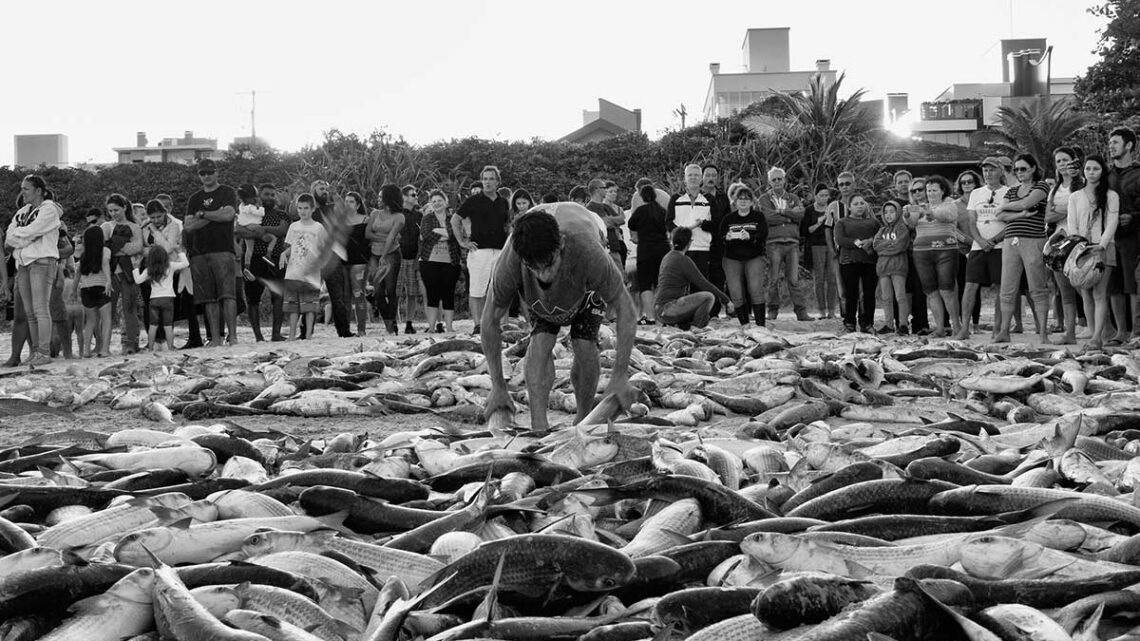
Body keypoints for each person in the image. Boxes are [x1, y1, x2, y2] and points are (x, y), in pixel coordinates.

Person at [479, 203, 638, 434]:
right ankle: (539, 426)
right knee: (541, 341)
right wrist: (498, 386)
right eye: (535, 268)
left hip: (581, 277)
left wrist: (619, 375)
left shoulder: (588, 251)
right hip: (541, 297)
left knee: (584, 344)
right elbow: (489, 321)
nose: (544, 274)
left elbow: (626, 311)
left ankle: (584, 419)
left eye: (549, 265)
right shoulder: (512, 258)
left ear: (561, 245)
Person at [994, 153, 1052, 344]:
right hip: (1011, 240)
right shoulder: (1012, 190)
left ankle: (1043, 333)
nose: (1019, 172)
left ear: (1033, 168)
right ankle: (1004, 331)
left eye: (1023, 168)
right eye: (1016, 169)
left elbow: (1026, 203)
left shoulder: (1041, 186)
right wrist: (1022, 215)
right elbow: (1000, 216)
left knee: (1038, 287)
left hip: (1033, 239)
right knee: (1007, 288)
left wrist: (1008, 207)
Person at [6, 176, 61, 366]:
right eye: (22, 188)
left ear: (38, 190)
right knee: (30, 312)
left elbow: (34, 229)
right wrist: (27, 237)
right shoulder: (22, 211)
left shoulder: (49, 209)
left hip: (42, 262)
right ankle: (36, 350)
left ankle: (44, 351)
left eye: (26, 189)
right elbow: (9, 237)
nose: (23, 192)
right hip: (22, 264)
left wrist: (22, 235)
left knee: (40, 309)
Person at [1065, 155, 1119, 351]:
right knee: (1085, 294)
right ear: (1083, 171)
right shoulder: (1075, 196)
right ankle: (1092, 332)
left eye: (1095, 169)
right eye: (1088, 169)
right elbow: (1072, 223)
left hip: (1103, 248)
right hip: (1081, 250)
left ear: (1102, 171)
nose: (1091, 172)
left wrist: (1102, 244)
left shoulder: (1111, 195)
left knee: (1100, 294)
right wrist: (1078, 245)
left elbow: (1112, 223)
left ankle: (1098, 337)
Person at [183, 159, 239, 347]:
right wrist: (215, 215)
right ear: (198, 175)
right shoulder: (194, 198)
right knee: (208, 298)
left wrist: (203, 214)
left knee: (228, 295)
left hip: (223, 249)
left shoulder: (227, 192)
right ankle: (215, 338)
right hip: (200, 252)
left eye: (209, 172)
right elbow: (188, 227)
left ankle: (233, 336)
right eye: (202, 173)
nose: (206, 176)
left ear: (216, 172)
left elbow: (229, 215)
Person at [453, 165, 510, 335]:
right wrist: (462, 242)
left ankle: (497, 324)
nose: (487, 182)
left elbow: (507, 224)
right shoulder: (473, 200)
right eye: (485, 179)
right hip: (479, 251)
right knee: (477, 290)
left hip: (500, 251)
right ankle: (478, 325)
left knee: (499, 291)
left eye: (491, 178)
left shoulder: (503, 202)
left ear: (498, 182)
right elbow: (455, 220)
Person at [958, 157, 1010, 341]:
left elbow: (1012, 221)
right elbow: (972, 221)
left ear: (1000, 171)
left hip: (1001, 245)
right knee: (970, 285)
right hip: (978, 246)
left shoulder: (1009, 192)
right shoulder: (976, 193)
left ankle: (998, 329)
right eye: (985, 170)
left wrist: (994, 240)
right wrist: (980, 241)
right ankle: (964, 328)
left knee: (999, 287)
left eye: (992, 170)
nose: (988, 173)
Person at [907, 175, 961, 338]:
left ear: (942, 190)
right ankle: (939, 328)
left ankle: (957, 327)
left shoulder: (950, 203)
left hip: (946, 250)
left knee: (947, 289)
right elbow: (911, 224)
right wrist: (907, 215)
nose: (930, 193)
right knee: (931, 291)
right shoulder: (919, 206)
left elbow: (947, 216)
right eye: (928, 190)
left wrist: (930, 211)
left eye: (934, 190)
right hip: (922, 252)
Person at [234, 184, 288, 342]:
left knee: (278, 297)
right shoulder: (248, 211)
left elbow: (283, 230)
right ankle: (258, 336)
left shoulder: (282, 214)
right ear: (259, 196)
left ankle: (276, 334)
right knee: (253, 299)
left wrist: (260, 230)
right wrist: (260, 231)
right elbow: (238, 230)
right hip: (253, 260)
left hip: (275, 259)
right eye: (266, 194)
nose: (270, 197)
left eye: (273, 194)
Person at [758, 167, 811, 321]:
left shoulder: (794, 197)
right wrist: (789, 215)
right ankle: (773, 310)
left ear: (784, 180)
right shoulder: (763, 199)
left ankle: (801, 312)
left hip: (792, 243)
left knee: (794, 280)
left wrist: (780, 212)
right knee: (773, 279)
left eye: (779, 179)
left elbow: (801, 215)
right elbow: (767, 217)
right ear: (769, 182)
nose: (776, 182)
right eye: (773, 180)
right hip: (773, 243)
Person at [656, 227, 734, 330]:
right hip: (669, 309)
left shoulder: (667, 257)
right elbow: (704, 284)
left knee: (702, 311)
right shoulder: (683, 260)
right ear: (689, 243)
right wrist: (726, 300)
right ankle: (696, 327)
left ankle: (679, 325)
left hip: (659, 310)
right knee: (708, 297)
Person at [1045, 147, 1084, 344]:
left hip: (1079, 241)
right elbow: (1048, 216)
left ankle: (1097, 329)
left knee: (1084, 287)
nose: (1061, 164)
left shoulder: (1082, 185)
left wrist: (1061, 210)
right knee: (1065, 291)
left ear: (1074, 162)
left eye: (1065, 160)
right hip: (1059, 243)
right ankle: (1070, 333)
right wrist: (1067, 209)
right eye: (1058, 161)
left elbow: (1082, 209)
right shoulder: (1054, 189)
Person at [308, 180, 355, 339]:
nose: (324, 192)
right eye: (321, 189)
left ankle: (344, 331)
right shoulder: (309, 211)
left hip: (333, 258)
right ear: (313, 191)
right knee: (310, 296)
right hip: (315, 258)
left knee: (338, 297)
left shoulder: (332, 208)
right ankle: (306, 331)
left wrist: (335, 194)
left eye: (326, 189)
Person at [1107, 127, 1140, 344]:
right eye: (1109, 143)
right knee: (1113, 286)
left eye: (1115, 142)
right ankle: (1120, 332)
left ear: (1128, 146)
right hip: (1109, 237)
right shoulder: (1105, 174)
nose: (1111, 146)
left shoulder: (1138, 173)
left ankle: (1136, 332)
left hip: (1134, 237)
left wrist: (1134, 217)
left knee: (1133, 285)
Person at [280, 194, 329, 340]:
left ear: (313, 209)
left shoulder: (318, 227)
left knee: (309, 306)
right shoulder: (293, 226)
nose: (303, 211)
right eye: (300, 208)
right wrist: (284, 254)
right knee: (293, 306)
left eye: (306, 208)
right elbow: (291, 246)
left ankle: (308, 335)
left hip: (310, 273)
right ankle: (291, 335)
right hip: (293, 272)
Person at [720, 186, 768, 327]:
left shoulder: (758, 217)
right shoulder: (729, 218)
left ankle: (760, 325)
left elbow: (763, 234)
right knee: (735, 291)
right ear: (735, 202)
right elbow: (720, 236)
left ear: (752, 202)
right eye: (740, 199)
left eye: (746, 199)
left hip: (754, 256)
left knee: (755, 288)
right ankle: (744, 324)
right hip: (732, 257)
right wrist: (726, 237)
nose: (743, 201)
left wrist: (750, 236)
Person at [102, 194, 143, 354]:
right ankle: (103, 344)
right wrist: (124, 247)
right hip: (110, 271)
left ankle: (131, 343)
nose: (113, 213)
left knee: (130, 308)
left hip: (128, 271)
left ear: (125, 207)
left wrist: (115, 246)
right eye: (110, 210)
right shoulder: (106, 226)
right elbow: (103, 248)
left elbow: (138, 247)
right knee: (107, 310)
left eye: (116, 210)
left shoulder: (134, 227)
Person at [834, 194, 880, 333]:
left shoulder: (874, 222)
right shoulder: (842, 222)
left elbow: (880, 236)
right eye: (856, 204)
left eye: (862, 203)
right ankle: (849, 323)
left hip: (869, 262)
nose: (859, 206)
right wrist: (858, 243)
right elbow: (840, 239)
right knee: (850, 294)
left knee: (868, 294)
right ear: (849, 207)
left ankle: (867, 323)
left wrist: (871, 241)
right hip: (849, 261)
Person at [627, 183, 670, 325]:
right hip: (663, 249)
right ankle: (660, 316)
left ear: (642, 197)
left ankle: (650, 316)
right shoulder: (663, 212)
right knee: (660, 283)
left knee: (645, 284)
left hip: (645, 250)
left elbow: (631, 224)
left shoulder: (640, 211)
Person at [419, 190, 461, 333]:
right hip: (429, 260)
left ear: (445, 202)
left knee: (448, 293)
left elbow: (456, 235)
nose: (437, 203)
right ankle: (431, 327)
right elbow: (426, 235)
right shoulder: (427, 219)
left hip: (451, 261)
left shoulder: (453, 218)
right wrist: (446, 233)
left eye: (439, 200)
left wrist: (439, 231)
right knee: (432, 294)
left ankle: (449, 327)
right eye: (434, 201)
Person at [366, 184, 406, 335]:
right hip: (374, 255)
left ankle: (392, 324)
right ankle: (387, 321)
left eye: (381, 197)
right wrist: (384, 239)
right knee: (378, 291)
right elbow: (368, 233)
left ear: (389, 198)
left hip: (391, 254)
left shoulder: (399, 217)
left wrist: (384, 254)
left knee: (390, 290)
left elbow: (392, 236)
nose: (378, 199)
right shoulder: (375, 214)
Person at [134, 244, 189, 352]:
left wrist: (136, 268)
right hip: (168, 299)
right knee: (168, 326)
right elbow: (185, 264)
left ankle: (150, 348)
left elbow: (138, 280)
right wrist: (180, 252)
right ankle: (170, 347)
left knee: (153, 326)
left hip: (154, 299)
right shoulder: (170, 266)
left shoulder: (149, 270)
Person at [666, 165, 715, 283]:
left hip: (702, 249)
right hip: (681, 250)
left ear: (701, 179)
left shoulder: (709, 199)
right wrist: (681, 235)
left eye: (696, 175)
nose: (693, 178)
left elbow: (715, 223)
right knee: (679, 285)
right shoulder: (676, 199)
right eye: (690, 175)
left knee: (699, 285)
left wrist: (702, 224)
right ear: (685, 179)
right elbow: (668, 222)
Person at [872, 200, 911, 334]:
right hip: (883, 268)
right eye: (886, 212)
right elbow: (876, 245)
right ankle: (889, 324)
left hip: (898, 267)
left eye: (892, 212)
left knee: (900, 296)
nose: (888, 215)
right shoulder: (882, 230)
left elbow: (900, 245)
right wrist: (890, 244)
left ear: (898, 212)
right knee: (886, 298)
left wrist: (885, 248)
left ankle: (903, 325)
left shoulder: (902, 228)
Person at [902, 176, 932, 335]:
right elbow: (910, 225)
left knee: (935, 288)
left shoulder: (935, 205)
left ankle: (945, 323)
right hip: (914, 251)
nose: (917, 193)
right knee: (916, 289)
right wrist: (908, 216)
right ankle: (920, 324)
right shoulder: (908, 208)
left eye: (920, 189)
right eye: (913, 191)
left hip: (934, 249)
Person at [76, 225, 112, 358]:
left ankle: (86, 350)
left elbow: (77, 274)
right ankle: (104, 349)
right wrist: (109, 280)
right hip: (101, 287)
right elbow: (105, 263)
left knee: (90, 321)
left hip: (86, 289)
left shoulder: (84, 255)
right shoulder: (105, 250)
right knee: (106, 319)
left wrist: (74, 290)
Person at [954, 170, 983, 332]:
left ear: (975, 183)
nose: (966, 185)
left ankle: (976, 324)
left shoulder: (982, 200)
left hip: (980, 248)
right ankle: (962, 323)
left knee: (976, 288)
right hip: (962, 251)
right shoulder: (955, 205)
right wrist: (970, 242)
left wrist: (979, 242)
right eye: (963, 182)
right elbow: (953, 229)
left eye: (970, 181)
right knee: (963, 287)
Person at [803, 184, 836, 319]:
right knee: (819, 279)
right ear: (815, 196)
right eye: (821, 195)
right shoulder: (809, 210)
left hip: (831, 245)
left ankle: (832, 311)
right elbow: (805, 231)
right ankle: (821, 310)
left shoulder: (833, 209)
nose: (824, 198)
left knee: (832, 279)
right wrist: (819, 223)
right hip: (816, 246)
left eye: (826, 195)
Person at [702, 163, 730, 316]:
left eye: (714, 175)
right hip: (701, 242)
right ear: (702, 177)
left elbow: (727, 219)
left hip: (719, 242)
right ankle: (703, 309)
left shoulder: (723, 197)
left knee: (718, 277)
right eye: (708, 175)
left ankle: (715, 311)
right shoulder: (698, 196)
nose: (711, 178)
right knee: (702, 276)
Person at [343, 191, 371, 336]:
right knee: (345, 297)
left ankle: (361, 329)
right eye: (346, 201)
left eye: (351, 202)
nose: (347, 204)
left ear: (358, 205)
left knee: (358, 294)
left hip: (360, 262)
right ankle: (346, 330)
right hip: (343, 262)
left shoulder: (365, 219)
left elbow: (370, 240)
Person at [398, 185, 424, 334]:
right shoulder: (397, 214)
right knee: (395, 292)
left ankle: (409, 322)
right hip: (398, 258)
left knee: (412, 293)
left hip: (414, 257)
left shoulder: (419, 216)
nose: (416, 197)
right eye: (413, 195)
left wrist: (417, 258)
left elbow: (421, 239)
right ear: (404, 197)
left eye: (416, 194)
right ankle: (393, 322)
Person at [236, 184, 273, 282]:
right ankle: (268, 255)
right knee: (273, 238)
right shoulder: (251, 207)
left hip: (246, 227)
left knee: (249, 250)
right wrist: (260, 207)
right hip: (254, 227)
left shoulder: (242, 207)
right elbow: (261, 213)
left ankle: (247, 267)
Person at [586, 178, 625, 268]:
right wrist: (612, 220)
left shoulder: (605, 206)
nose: (606, 190)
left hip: (614, 246)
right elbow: (604, 224)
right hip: (603, 248)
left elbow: (622, 219)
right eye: (604, 188)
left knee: (619, 275)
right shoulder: (590, 208)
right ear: (597, 189)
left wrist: (609, 219)